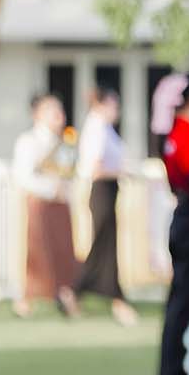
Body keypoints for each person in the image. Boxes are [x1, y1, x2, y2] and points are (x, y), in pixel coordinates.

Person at [72, 89, 140, 327]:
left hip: (110, 191)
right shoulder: (96, 129)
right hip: (101, 190)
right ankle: (76, 290)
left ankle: (106, 297)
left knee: (107, 246)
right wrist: (123, 172)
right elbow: (96, 168)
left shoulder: (106, 129)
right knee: (102, 245)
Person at [11, 95, 81, 319]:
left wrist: (65, 189)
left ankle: (65, 294)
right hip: (40, 203)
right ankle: (27, 298)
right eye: (52, 110)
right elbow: (22, 176)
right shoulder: (28, 141)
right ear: (38, 114)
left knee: (64, 250)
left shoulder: (64, 142)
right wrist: (51, 189)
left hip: (61, 204)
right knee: (37, 250)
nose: (58, 115)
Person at [154, 76, 189, 375]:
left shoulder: (177, 132)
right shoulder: (185, 133)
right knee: (185, 300)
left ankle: (178, 370)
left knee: (185, 300)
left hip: (183, 215)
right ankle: (173, 372)